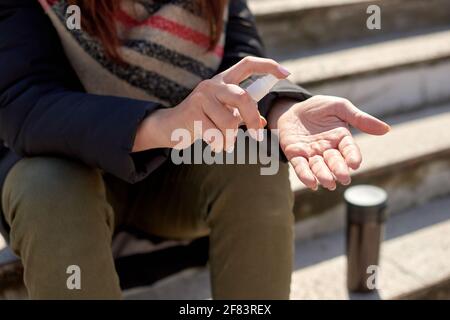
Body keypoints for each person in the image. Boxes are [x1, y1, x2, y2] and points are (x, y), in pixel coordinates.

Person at [0, 0, 390, 299]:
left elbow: (243, 61)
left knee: (254, 159)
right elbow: (22, 101)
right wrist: (162, 124)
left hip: (171, 179)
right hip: (66, 174)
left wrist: (281, 108)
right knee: (48, 185)